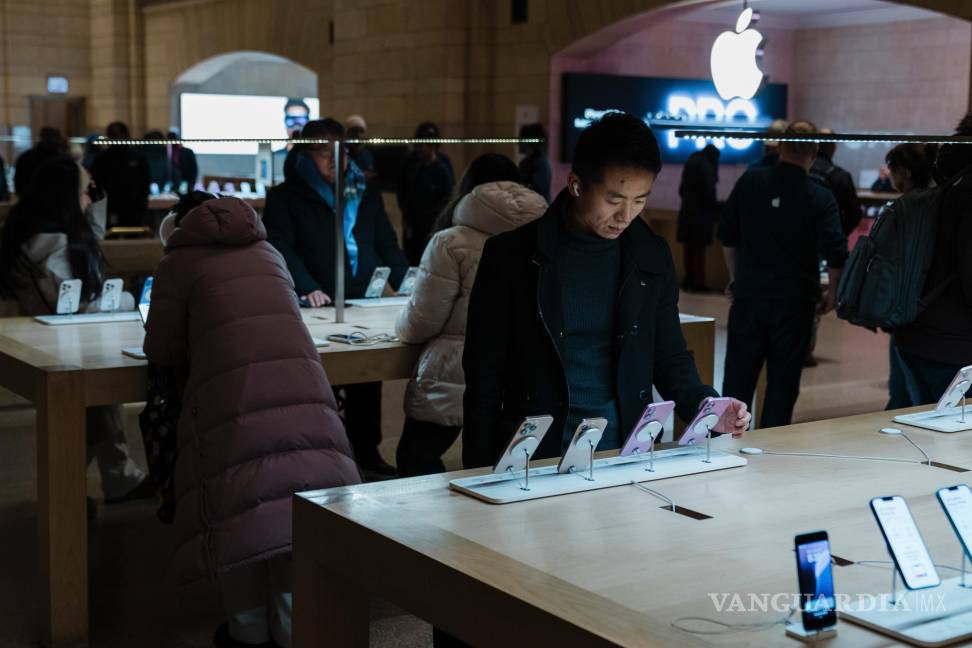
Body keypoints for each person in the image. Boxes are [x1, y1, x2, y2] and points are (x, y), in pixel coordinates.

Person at [462, 112, 750, 470]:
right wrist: (474, 470)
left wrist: (708, 408)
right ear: (576, 184)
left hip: (625, 451)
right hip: (534, 455)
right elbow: (483, 377)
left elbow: (669, 356)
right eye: (614, 200)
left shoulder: (650, 254)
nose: (625, 215)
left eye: (639, 200)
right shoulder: (511, 256)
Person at [143, 191, 361, 648]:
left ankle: (246, 634)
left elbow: (161, 350)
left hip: (231, 405)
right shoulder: (270, 252)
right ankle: (292, 631)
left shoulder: (177, 262)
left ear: (180, 224)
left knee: (239, 525)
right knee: (290, 523)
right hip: (305, 398)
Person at [0, 157, 149, 515]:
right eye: (85, 191)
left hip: (48, 340)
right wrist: (132, 299)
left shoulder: (32, 232)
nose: (89, 198)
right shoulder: (54, 245)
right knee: (90, 417)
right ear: (66, 196)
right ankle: (68, 495)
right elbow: (81, 304)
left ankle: (106, 482)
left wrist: (95, 196)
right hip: (72, 344)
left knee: (94, 415)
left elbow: (90, 232)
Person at [263, 118, 408, 477]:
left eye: (340, 153)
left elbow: (385, 243)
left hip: (361, 299)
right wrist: (306, 286)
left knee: (366, 377)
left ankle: (366, 453)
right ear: (304, 155)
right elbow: (280, 247)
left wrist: (409, 280)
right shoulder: (285, 197)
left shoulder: (364, 192)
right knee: (316, 381)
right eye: (323, 153)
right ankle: (322, 457)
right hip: (315, 302)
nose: (335, 161)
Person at [395, 154, 546, 477]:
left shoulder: (451, 241)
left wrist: (401, 330)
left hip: (453, 371)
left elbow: (424, 318)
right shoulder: (544, 237)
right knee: (497, 470)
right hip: (522, 371)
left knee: (416, 459)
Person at [719, 120, 848, 429]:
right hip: (795, 303)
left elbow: (727, 236)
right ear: (814, 152)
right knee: (783, 383)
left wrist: (737, 278)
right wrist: (833, 292)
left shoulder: (750, 182)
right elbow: (836, 252)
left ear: (780, 146)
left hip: (749, 297)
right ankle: (770, 450)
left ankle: (726, 444)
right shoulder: (819, 196)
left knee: (737, 380)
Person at [893, 114, 972, 405]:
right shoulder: (967, 191)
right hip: (955, 350)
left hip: (918, 334)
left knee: (926, 435)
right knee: (955, 445)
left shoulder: (947, 184)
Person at [881, 143, 939, 410]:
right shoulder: (942, 202)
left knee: (904, 392)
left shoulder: (904, 209)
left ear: (903, 172)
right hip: (933, 310)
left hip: (908, 311)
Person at [397, 121, 455, 264]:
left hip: (434, 223)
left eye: (424, 145)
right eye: (419, 145)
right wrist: (407, 218)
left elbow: (449, 195)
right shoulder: (413, 166)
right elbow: (404, 193)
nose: (420, 149)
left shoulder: (442, 168)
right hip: (415, 224)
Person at [677, 144, 720, 292]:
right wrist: (714, 208)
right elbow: (709, 192)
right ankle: (699, 283)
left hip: (686, 213)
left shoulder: (691, 162)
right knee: (699, 250)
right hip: (701, 216)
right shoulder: (707, 165)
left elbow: (681, 190)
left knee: (689, 249)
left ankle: (689, 280)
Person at [91, 121, 151, 227]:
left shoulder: (137, 157)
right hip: (110, 208)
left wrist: (142, 205)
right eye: (111, 135)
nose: (113, 138)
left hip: (134, 208)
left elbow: (145, 182)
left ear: (125, 135)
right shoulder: (102, 159)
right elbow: (96, 184)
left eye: (116, 135)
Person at [809, 130, 862, 235]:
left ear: (815, 147)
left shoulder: (803, 172)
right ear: (833, 148)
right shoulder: (841, 176)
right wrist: (839, 233)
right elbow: (855, 214)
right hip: (829, 240)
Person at [14, 126, 69, 196]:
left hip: (30, 201)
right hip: (53, 201)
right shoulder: (62, 160)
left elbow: (19, 185)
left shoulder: (26, 157)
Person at [518, 122, 551, 201]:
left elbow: (535, 191)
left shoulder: (541, 164)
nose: (518, 142)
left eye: (520, 139)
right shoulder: (524, 163)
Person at [345, 114, 376, 182]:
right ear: (347, 134)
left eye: (361, 131)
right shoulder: (342, 154)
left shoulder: (368, 154)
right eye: (354, 131)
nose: (358, 135)